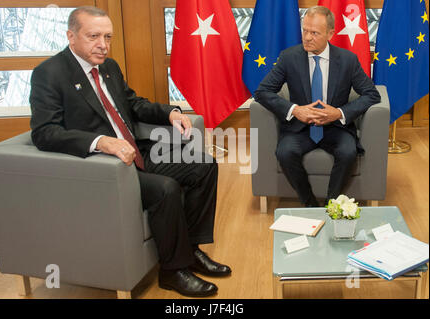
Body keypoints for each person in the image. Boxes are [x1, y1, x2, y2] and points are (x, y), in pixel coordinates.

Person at [30, 6, 231, 298]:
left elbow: (132, 104)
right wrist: (100, 142)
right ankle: (172, 271)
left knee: (203, 164)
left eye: (108, 37)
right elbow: (45, 133)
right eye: (94, 36)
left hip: (136, 153)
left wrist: (170, 113)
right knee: (166, 188)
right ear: (71, 36)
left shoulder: (108, 67)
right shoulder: (49, 74)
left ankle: (192, 250)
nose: (103, 44)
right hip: (103, 167)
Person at [254, 6, 381, 207]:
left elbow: (372, 94)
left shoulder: (348, 60)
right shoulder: (289, 57)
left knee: (348, 152)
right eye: (305, 30)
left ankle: (332, 204)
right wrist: (296, 110)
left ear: (330, 33)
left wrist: (339, 113)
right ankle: (310, 205)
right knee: (285, 152)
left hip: (335, 128)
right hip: (300, 129)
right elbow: (262, 92)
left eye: (314, 33)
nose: (307, 37)